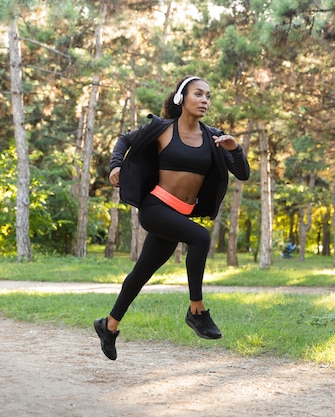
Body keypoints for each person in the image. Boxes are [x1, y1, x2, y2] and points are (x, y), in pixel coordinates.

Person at [94, 76, 250, 360]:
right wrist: (116, 165)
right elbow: (125, 139)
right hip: (156, 207)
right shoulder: (162, 129)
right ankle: (196, 310)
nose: (205, 100)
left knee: (142, 272)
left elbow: (242, 173)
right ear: (181, 98)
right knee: (200, 238)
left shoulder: (214, 138)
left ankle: (109, 325)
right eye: (198, 94)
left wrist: (234, 148)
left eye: (208, 96)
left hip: (180, 212)